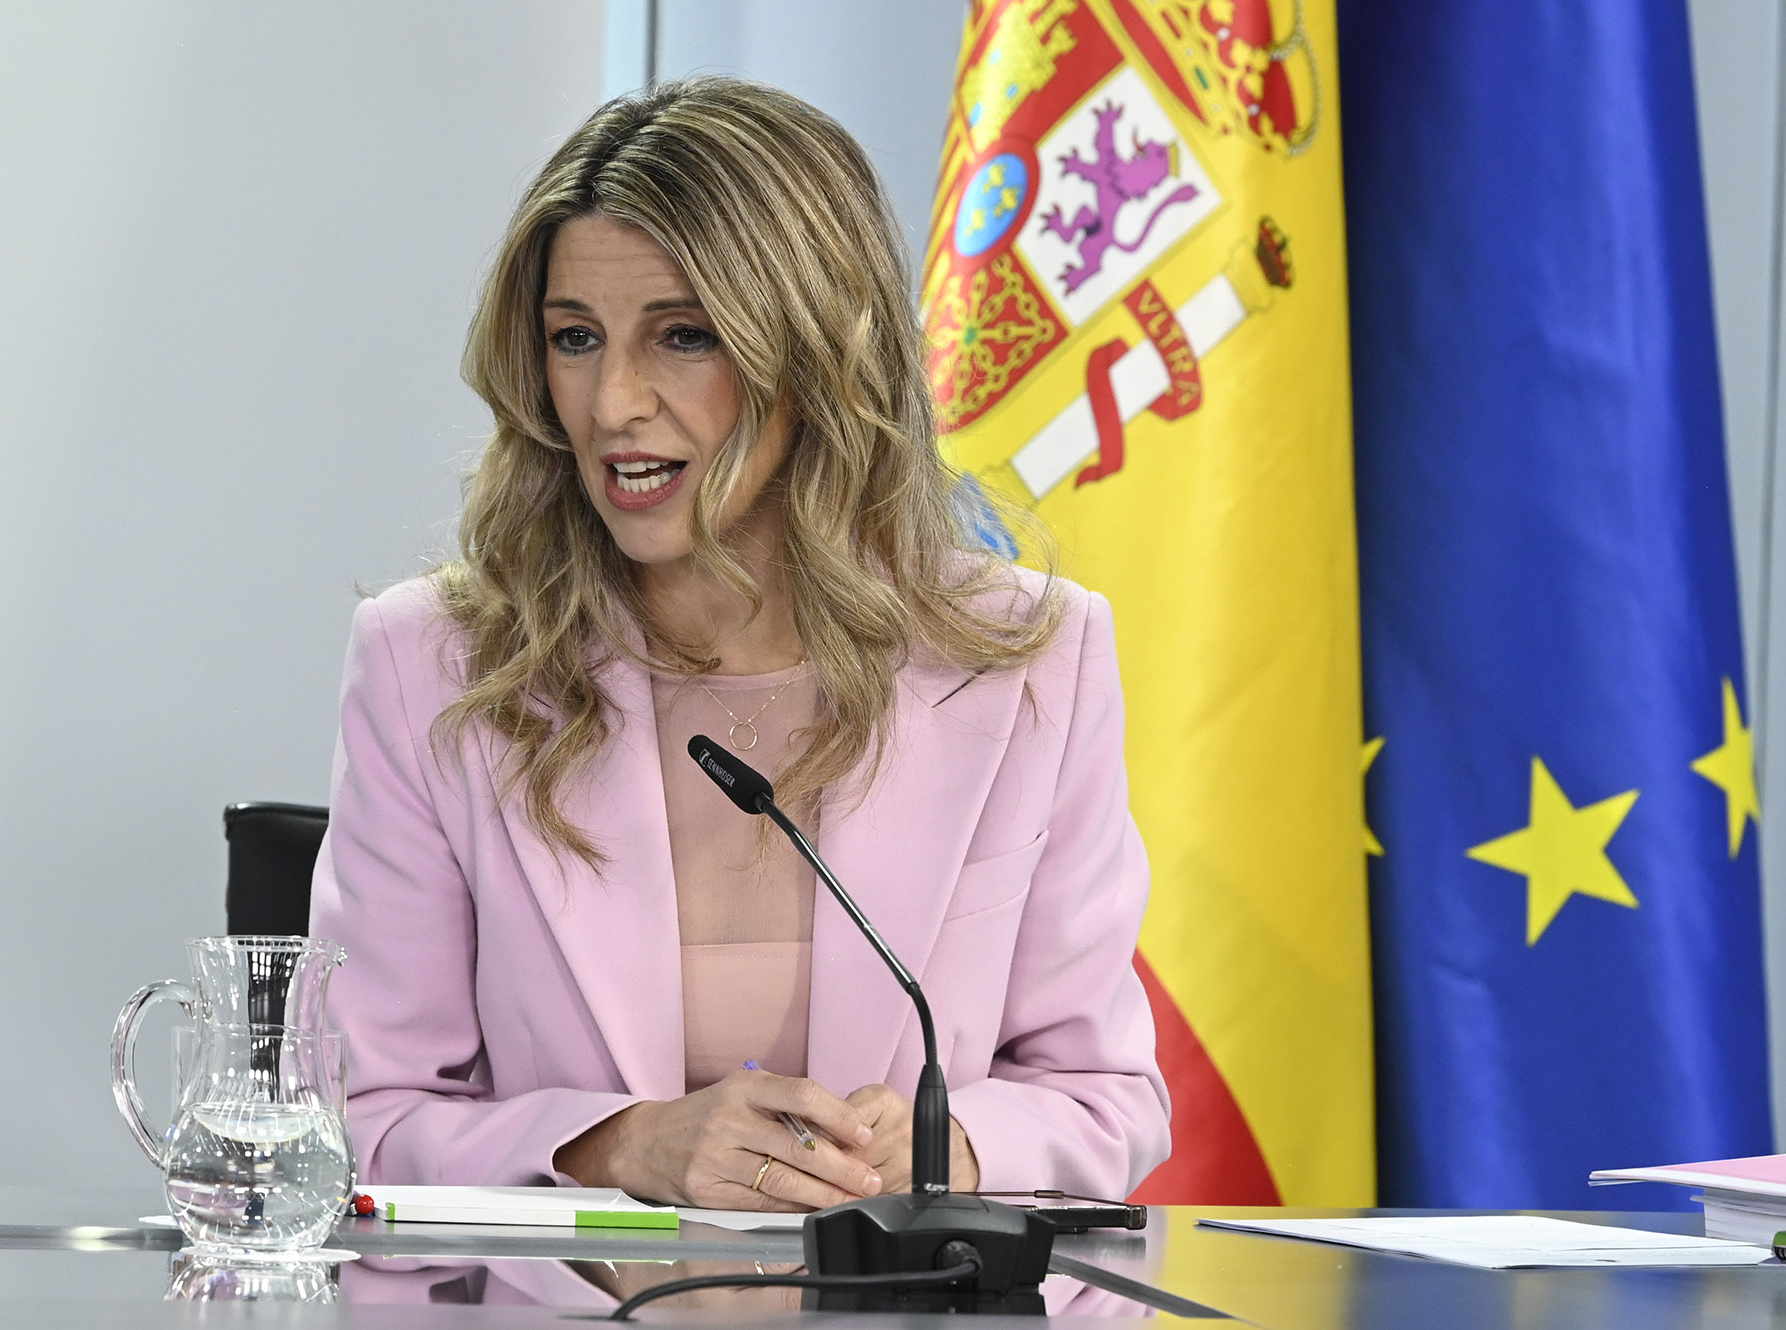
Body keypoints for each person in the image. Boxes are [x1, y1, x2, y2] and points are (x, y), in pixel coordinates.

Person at [309, 76, 1168, 1212]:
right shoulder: (430, 666)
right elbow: (359, 1113)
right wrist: (617, 1146)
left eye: (683, 337)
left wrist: (944, 1145)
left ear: (812, 351)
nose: (611, 403)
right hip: (566, 1293)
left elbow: (1105, 1096)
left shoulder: (1025, 659)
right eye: (574, 339)